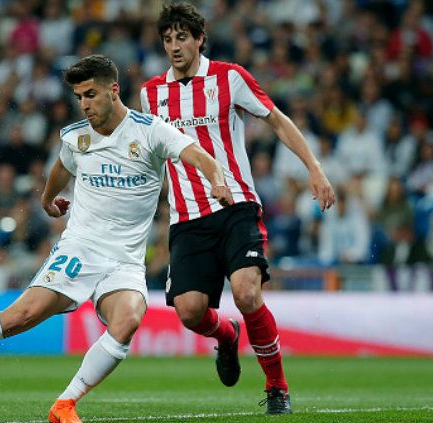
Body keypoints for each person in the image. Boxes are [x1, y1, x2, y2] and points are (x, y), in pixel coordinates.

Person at [0, 54, 232, 423]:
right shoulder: (77, 137)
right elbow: (62, 166)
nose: (84, 104)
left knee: (127, 320)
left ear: (114, 89)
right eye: (79, 96)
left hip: (125, 260)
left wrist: (217, 181)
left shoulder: (150, 131)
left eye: (91, 94)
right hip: (81, 248)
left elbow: (200, 156)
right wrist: (47, 199)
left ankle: (64, 405)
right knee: (19, 317)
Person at [140, 3, 335, 414]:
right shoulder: (150, 93)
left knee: (247, 292)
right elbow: (150, 159)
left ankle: (277, 388)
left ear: (199, 38)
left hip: (236, 207)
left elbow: (278, 120)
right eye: (168, 39)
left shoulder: (230, 78)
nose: (174, 46)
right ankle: (227, 337)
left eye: (182, 37)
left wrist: (314, 169)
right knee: (191, 311)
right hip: (187, 219)